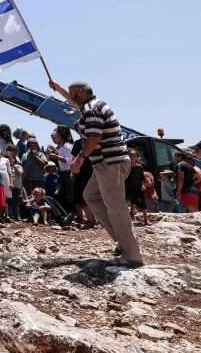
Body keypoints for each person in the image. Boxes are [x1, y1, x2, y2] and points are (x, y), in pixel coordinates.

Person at [50, 79, 143, 266]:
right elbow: (74, 104)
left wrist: (79, 159)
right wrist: (58, 89)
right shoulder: (93, 106)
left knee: (116, 208)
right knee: (90, 196)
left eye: (72, 93)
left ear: (81, 93)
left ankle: (132, 256)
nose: (70, 98)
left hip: (110, 164)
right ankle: (123, 240)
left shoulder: (91, 110)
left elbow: (94, 138)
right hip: (107, 164)